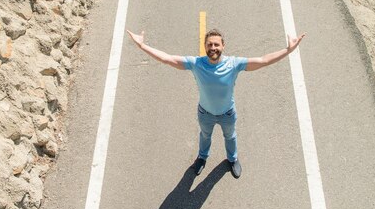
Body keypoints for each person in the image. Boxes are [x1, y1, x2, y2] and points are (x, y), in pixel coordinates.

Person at [126, 28, 305, 179]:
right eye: (210, 44)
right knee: (205, 136)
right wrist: (142, 46)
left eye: (216, 44)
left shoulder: (234, 64)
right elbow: (167, 59)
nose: (213, 48)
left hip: (227, 113)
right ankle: (202, 158)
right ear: (205, 46)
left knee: (230, 136)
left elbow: (263, 60)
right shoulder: (196, 63)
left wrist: (288, 50)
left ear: (223, 46)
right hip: (205, 113)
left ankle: (232, 159)